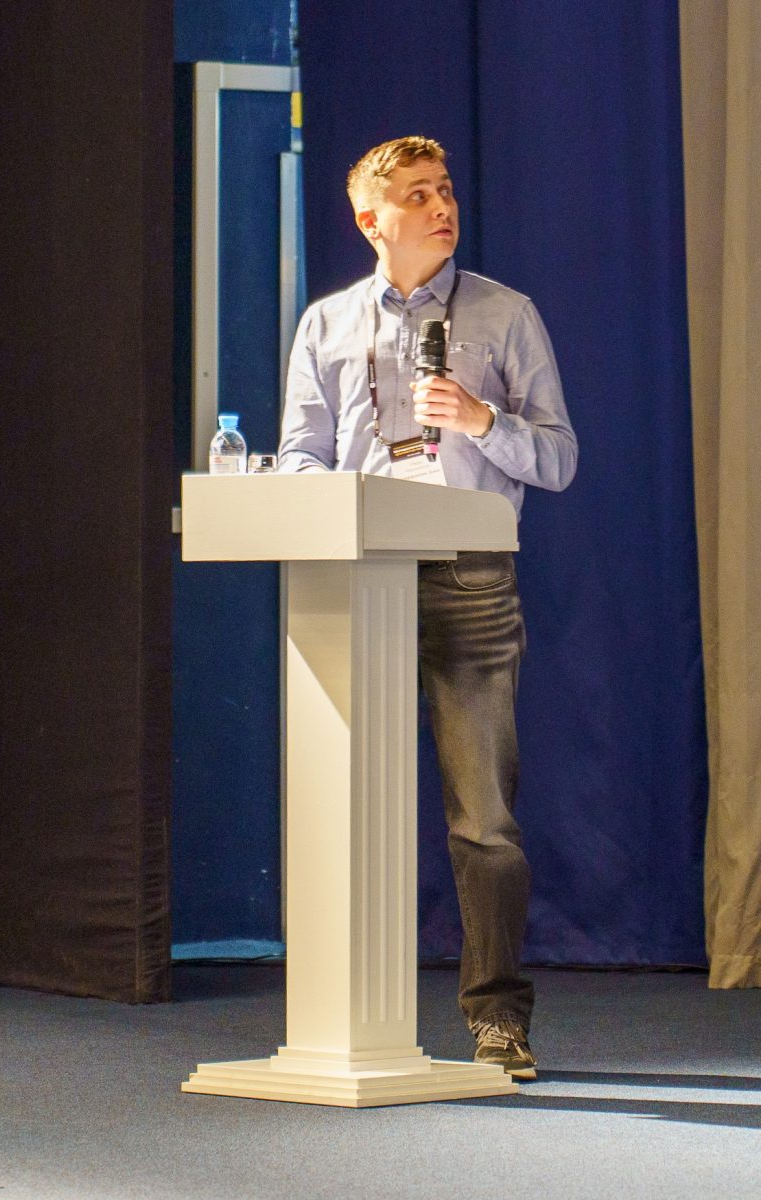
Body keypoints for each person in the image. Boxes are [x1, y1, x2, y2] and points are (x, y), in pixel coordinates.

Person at [278, 136, 577, 1078]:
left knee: (483, 816)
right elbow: (299, 454)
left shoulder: (505, 314)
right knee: (345, 806)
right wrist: (327, 500)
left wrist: (483, 421)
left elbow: (560, 459)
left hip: (469, 572)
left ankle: (498, 1020)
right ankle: (342, 1021)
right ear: (371, 220)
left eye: (445, 189)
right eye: (417, 194)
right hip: (355, 573)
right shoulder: (326, 324)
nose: (442, 205)